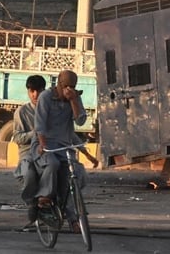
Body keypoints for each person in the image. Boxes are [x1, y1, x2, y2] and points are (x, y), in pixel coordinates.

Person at [30, 69, 99, 233]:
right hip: (44, 144)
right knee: (52, 164)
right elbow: (40, 124)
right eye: (66, 86)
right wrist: (42, 145)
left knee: (73, 177)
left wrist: (74, 101)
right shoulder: (46, 97)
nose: (68, 89)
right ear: (59, 84)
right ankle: (45, 197)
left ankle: (74, 217)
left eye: (72, 86)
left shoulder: (75, 96)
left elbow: (80, 121)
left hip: (64, 146)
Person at [12, 74, 46, 226]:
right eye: (32, 91)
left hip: (47, 150)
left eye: (38, 91)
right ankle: (32, 203)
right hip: (28, 152)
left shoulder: (49, 108)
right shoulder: (22, 112)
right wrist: (35, 134)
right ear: (28, 91)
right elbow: (17, 138)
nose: (35, 95)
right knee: (29, 173)